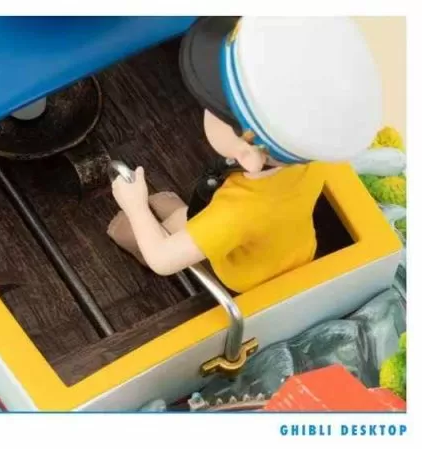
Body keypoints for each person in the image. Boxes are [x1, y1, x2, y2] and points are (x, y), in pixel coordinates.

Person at [107, 16, 383, 294]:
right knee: (197, 219)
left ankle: (144, 240)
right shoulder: (312, 151)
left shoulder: (237, 212)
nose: (205, 106)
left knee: (157, 238)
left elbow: (163, 260)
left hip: (246, 273)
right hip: (292, 245)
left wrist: (136, 206)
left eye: (214, 107)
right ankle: (182, 217)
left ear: (249, 155)